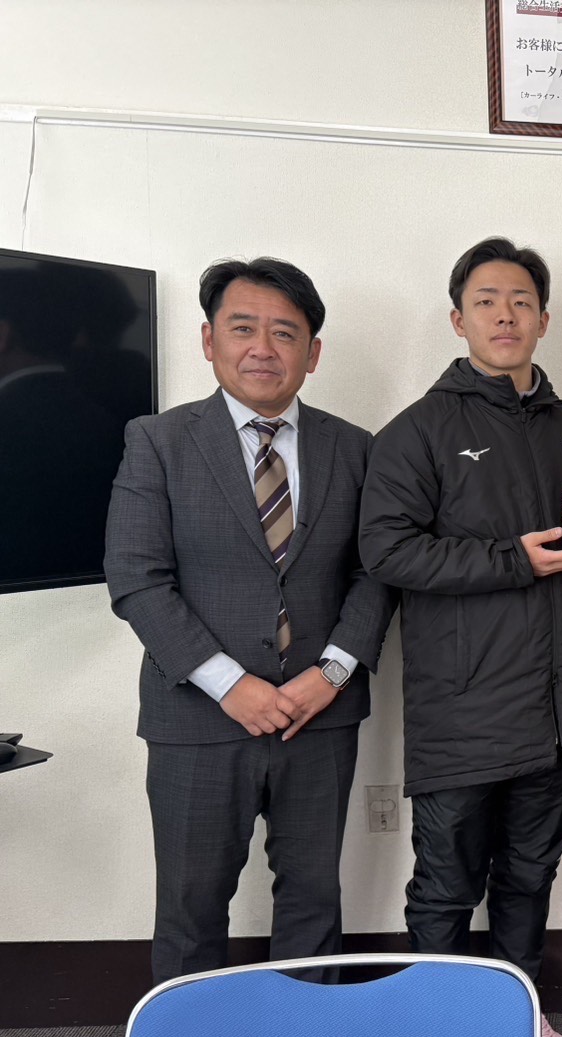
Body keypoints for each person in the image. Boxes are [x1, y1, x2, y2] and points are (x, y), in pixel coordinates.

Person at [105, 257, 395, 984]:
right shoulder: (158, 441)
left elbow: (376, 572)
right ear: (209, 341)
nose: (263, 348)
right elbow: (137, 578)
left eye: (285, 333)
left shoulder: (355, 448)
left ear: (312, 353)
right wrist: (230, 684)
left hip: (318, 715)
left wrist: (332, 673)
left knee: (313, 900)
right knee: (191, 907)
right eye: (243, 329)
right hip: (197, 719)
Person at [357, 236, 562, 1037]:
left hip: (556, 701)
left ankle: (516, 1012)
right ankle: (433, 1025)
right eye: (487, 301)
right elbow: (387, 550)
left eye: (521, 301)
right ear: (458, 319)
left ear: (543, 320)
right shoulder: (418, 430)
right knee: (446, 881)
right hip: (460, 704)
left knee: (530, 874)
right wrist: (511, 559)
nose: (505, 315)